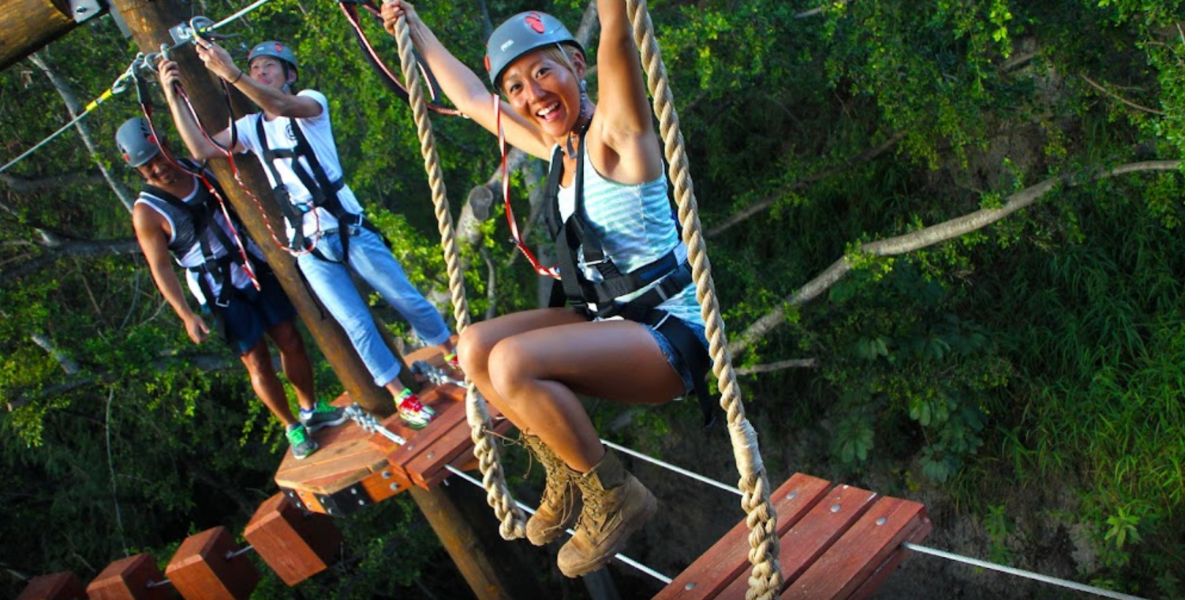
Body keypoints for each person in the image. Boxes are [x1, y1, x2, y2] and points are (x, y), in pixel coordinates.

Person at [381, 0, 711, 577]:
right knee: (474, 347)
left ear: (577, 65)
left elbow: (618, 35)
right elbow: (471, 101)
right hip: (609, 322)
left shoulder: (616, 135)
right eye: (516, 85)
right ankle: (566, 468)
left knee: (510, 364)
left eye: (542, 71)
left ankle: (612, 493)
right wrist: (415, 26)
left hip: (668, 335)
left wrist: (614, 13)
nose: (531, 92)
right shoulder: (559, 149)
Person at [155, 41, 457, 429]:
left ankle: (450, 350)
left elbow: (281, 107)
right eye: (256, 67)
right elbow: (198, 147)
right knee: (355, 323)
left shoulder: (311, 104)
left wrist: (233, 73)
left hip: (348, 226)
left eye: (269, 67)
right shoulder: (250, 129)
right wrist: (172, 95)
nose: (261, 73)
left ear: (290, 75)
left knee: (404, 297)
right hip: (308, 246)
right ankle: (401, 394)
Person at [117, 117, 346, 460]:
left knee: (290, 338)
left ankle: (310, 409)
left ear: (166, 144)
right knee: (256, 360)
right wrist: (186, 315)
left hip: (252, 265)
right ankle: (291, 427)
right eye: (146, 167)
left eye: (158, 157)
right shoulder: (147, 212)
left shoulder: (197, 165)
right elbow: (160, 267)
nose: (157, 169)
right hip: (218, 288)